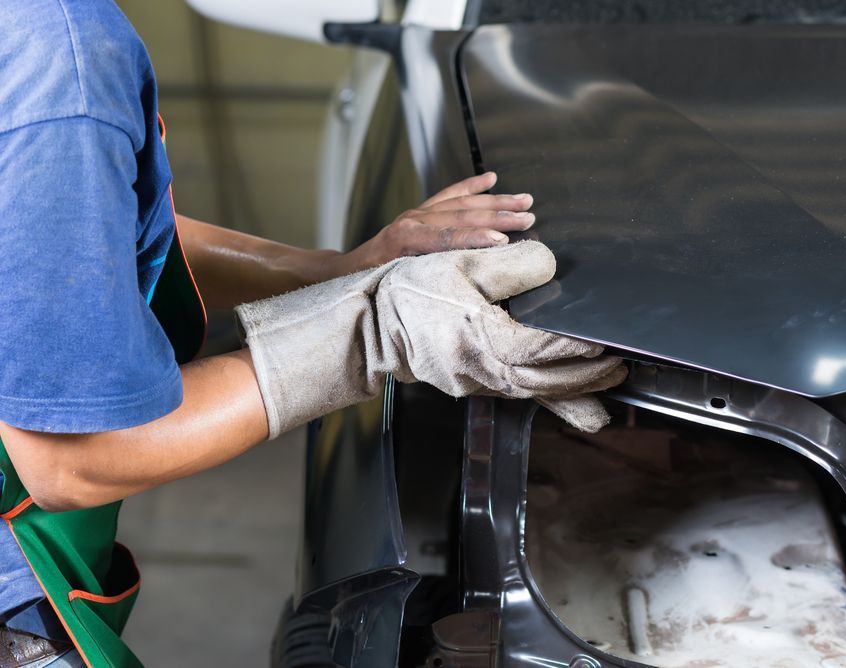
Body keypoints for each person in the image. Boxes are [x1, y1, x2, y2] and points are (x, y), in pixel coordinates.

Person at [0, 1, 625, 666]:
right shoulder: (55, 50)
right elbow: (74, 458)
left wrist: (335, 274)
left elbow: (70, 233)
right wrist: (366, 331)